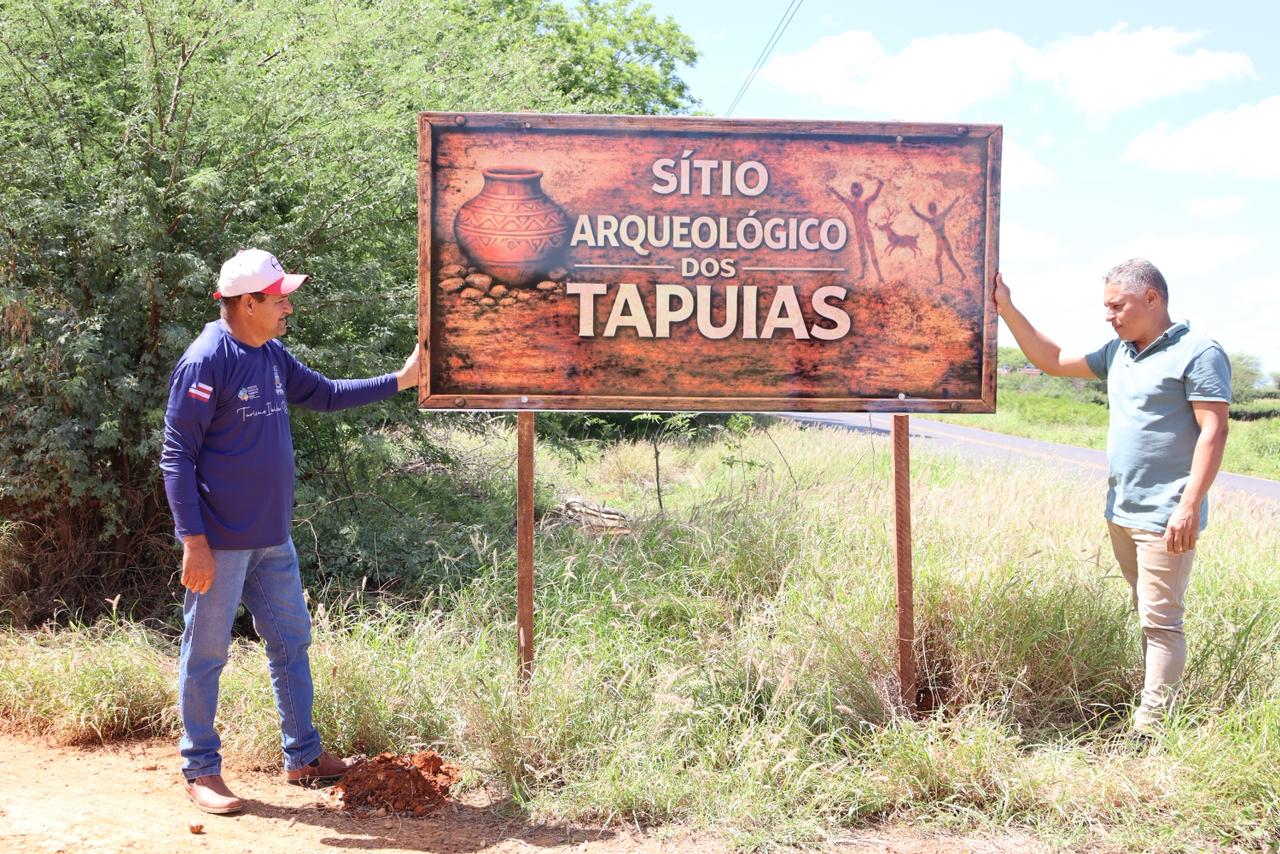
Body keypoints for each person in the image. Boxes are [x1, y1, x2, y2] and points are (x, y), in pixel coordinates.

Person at [160, 248, 420, 814]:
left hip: (272, 538)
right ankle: (200, 769)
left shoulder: (270, 353)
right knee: (206, 653)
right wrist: (194, 542)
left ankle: (302, 756)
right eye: (280, 299)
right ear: (248, 303)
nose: (289, 308)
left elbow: (325, 395)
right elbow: (176, 456)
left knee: (291, 641)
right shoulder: (207, 360)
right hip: (220, 544)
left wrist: (402, 380)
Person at [993, 258, 1230, 733]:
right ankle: (1154, 705)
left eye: (1116, 306)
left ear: (1152, 299)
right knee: (1146, 612)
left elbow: (1214, 431)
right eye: (1106, 307)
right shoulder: (1121, 351)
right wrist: (1007, 308)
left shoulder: (1199, 352)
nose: (1109, 315)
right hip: (1121, 510)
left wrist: (1187, 507)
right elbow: (1053, 361)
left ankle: (1150, 728)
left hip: (1165, 516)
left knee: (1161, 620)